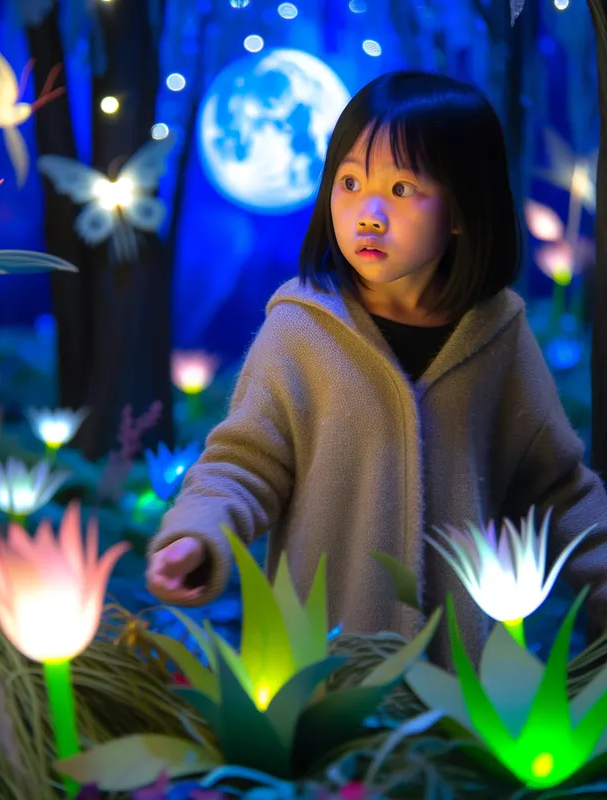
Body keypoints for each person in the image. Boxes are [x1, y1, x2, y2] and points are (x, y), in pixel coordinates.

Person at [145, 70, 607, 666]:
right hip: (316, 679)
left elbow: (556, 490)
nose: (367, 213)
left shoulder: (498, 336)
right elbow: (243, 465)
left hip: (456, 685)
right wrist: (194, 534)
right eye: (349, 181)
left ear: (465, 208)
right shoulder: (301, 329)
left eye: (402, 189)